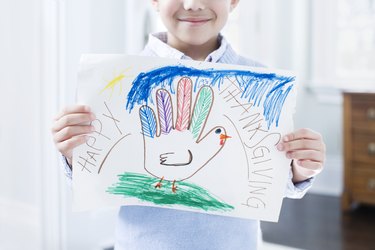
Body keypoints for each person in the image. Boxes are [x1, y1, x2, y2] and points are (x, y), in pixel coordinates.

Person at [51, 0, 326, 249]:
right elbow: (95, 180)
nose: (193, 4)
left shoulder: (262, 83)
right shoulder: (116, 81)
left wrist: (299, 167)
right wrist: (74, 153)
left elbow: (272, 182)